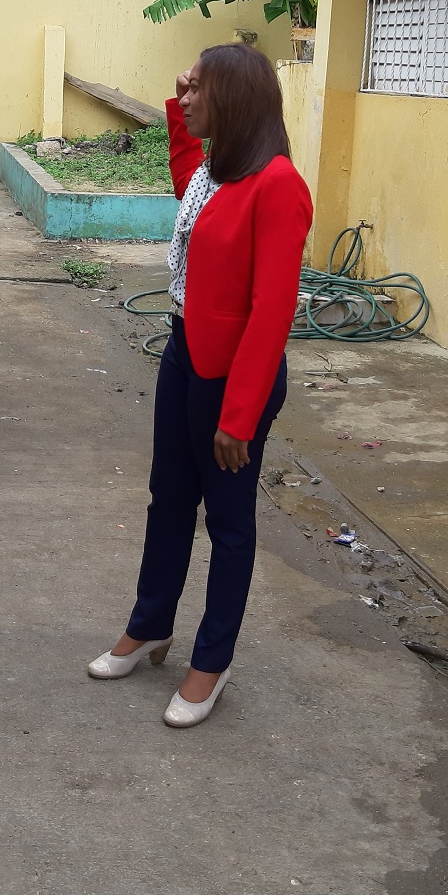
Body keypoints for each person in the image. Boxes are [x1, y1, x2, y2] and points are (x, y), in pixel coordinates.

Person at [88, 44, 312, 727]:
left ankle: (212, 661)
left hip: (235, 376)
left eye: (199, 90)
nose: (186, 99)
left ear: (236, 99)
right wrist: (179, 97)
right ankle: (151, 625)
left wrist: (239, 416)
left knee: (230, 522)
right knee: (168, 498)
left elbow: (272, 311)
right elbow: (182, 161)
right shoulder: (215, 172)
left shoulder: (277, 185)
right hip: (185, 351)